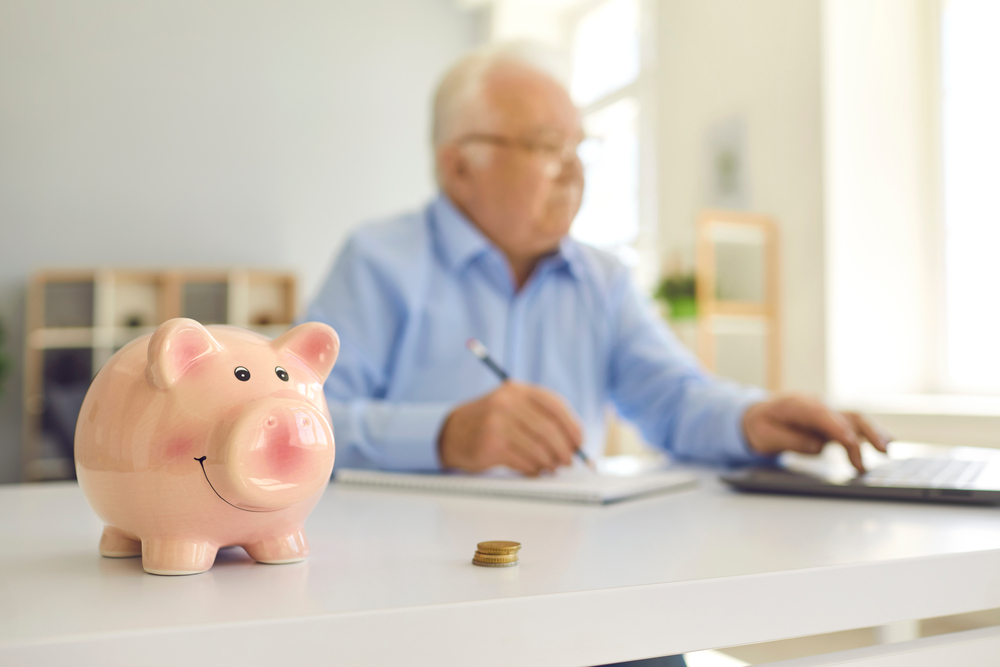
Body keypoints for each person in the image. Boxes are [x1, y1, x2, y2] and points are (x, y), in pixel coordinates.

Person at [305, 43, 890, 480]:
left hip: (571, 567)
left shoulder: (603, 280)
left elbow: (675, 398)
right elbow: (299, 424)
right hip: (411, 575)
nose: (575, 169)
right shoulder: (378, 260)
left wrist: (753, 417)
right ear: (460, 168)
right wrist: (442, 437)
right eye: (546, 146)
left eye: (579, 147)